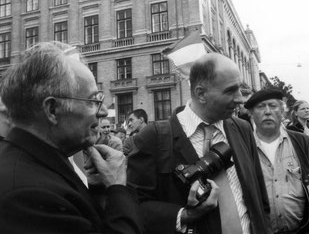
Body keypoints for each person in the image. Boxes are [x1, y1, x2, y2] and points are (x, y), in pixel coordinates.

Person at [0, 42, 142, 233]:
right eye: (93, 100)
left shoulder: (37, 166)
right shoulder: (27, 196)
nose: (103, 111)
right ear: (52, 110)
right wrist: (117, 188)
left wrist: (98, 191)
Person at [127, 53, 271, 234]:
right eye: (230, 91)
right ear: (201, 94)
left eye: (240, 89)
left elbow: (259, 195)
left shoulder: (242, 128)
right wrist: (186, 215)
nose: (240, 99)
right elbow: (135, 206)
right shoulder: (154, 137)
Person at [245, 89, 309, 234]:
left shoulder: (301, 142)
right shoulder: (243, 147)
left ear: (282, 112)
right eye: (261, 107)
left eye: (273, 106)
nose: (267, 112)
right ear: (251, 113)